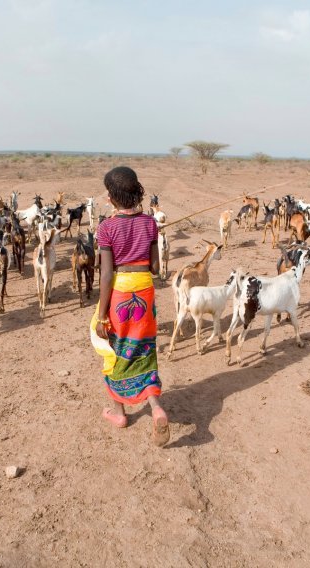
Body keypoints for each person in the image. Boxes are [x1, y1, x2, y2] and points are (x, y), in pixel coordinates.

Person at [90, 166, 170, 447]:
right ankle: (156, 407)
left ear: (111, 198)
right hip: (145, 291)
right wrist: (149, 234)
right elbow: (157, 267)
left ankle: (119, 412)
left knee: (114, 350)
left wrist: (101, 315)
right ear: (136, 191)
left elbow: (106, 275)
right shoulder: (149, 223)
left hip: (122, 295)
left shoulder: (106, 228)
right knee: (143, 348)